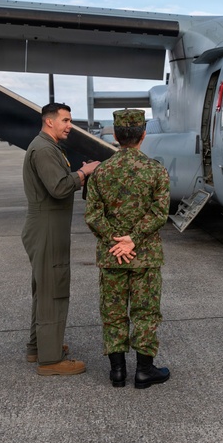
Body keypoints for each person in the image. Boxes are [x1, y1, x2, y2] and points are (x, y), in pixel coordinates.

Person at [84, 109, 172, 389]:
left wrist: (116, 241)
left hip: (112, 257)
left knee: (113, 312)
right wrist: (132, 239)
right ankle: (144, 371)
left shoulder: (101, 172)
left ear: (115, 135)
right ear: (143, 135)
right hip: (144, 256)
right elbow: (160, 213)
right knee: (146, 312)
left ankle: (118, 372)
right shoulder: (155, 170)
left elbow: (93, 215)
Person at [21, 102, 99, 376]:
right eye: (65, 120)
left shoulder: (48, 147)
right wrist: (83, 173)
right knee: (53, 290)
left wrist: (76, 173)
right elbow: (58, 187)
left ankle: (38, 347)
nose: (69, 126)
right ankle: (51, 360)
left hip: (47, 226)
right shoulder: (43, 149)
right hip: (47, 228)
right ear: (49, 121)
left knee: (43, 289)